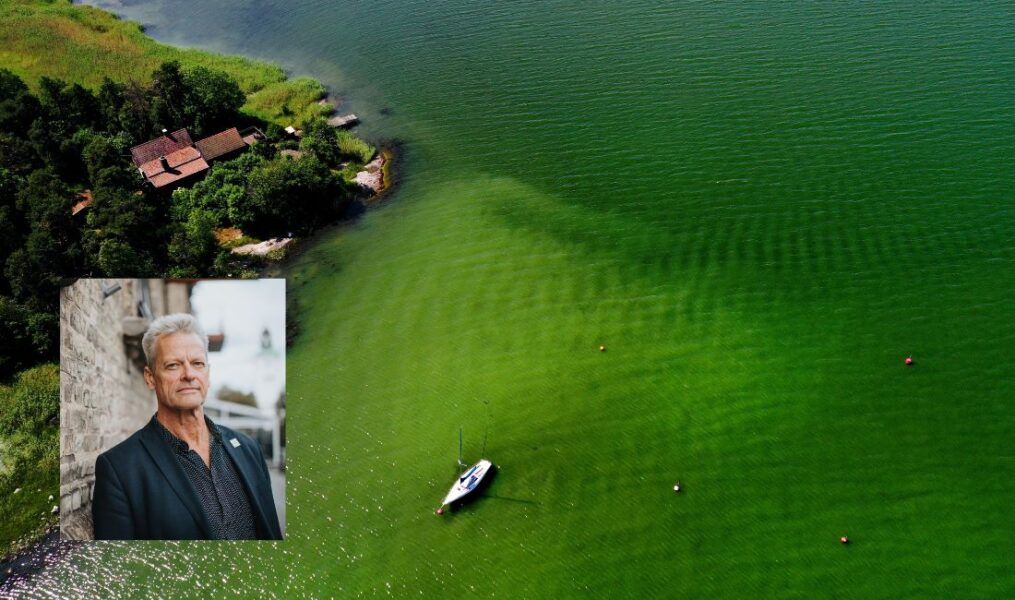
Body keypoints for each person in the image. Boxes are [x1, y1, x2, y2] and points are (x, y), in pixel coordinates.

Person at [92, 314, 282, 540]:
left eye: (197, 364)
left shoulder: (249, 449)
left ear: (207, 374)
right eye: (173, 365)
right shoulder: (120, 469)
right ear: (151, 378)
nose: (189, 374)